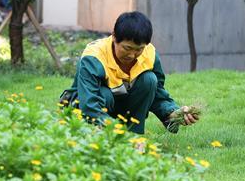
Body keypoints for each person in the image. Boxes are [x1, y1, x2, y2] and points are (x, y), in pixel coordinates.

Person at [61, 11, 198, 134]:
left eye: (139, 49)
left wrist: (173, 113)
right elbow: (89, 104)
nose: (132, 55)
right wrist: (116, 130)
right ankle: (106, 135)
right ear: (114, 37)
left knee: (149, 80)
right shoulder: (93, 57)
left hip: (120, 107)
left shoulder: (150, 54)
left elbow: (157, 93)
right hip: (85, 108)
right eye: (127, 48)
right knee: (105, 94)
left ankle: (134, 135)